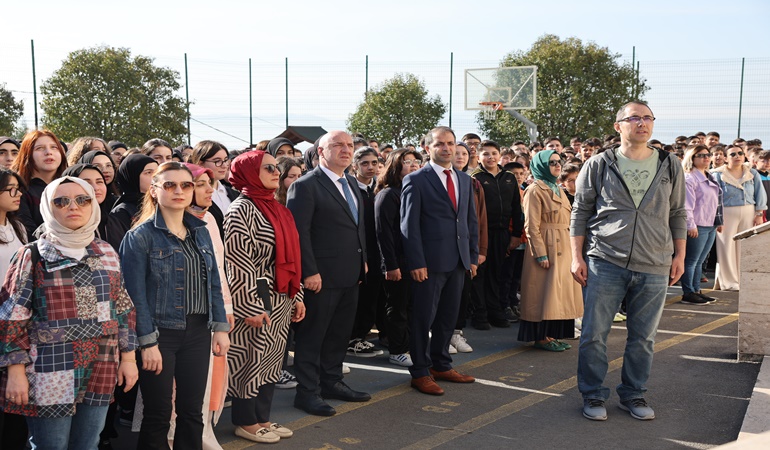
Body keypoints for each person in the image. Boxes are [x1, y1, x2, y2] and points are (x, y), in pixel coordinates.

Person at [0, 176, 137, 449]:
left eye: (82, 199)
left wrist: (129, 358)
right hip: (49, 371)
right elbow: (12, 317)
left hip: (101, 366)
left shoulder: (107, 252)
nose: (73, 206)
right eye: (61, 201)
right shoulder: (32, 255)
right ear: (48, 208)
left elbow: (123, 308)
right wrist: (15, 370)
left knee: (88, 444)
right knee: (51, 446)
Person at [571, 101, 687, 421]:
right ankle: (593, 394)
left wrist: (680, 255)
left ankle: (633, 393)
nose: (642, 123)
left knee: (643, 338)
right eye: (634, 118)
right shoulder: (599, 163)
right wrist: (576, 256)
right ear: (618, 126)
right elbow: (580, 212)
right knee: (594, 334)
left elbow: (678, 212)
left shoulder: (669, 163)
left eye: (648, 118)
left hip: (655, 262)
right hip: (604, 260)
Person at [120, 162, 230, 449]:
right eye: (169, 185)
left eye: (186, 185)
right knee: (158, 414)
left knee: (192, 412)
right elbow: (134, 297)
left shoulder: (201, 230)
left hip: (198, 331)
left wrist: (220, 328)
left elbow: (213, 282)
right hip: (160, 334)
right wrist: (148, 343)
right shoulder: (139, 236)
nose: (179, 191)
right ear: (154, 191)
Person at [286, 131, 370, 417]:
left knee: (338, 335)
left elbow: (357, 227)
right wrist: (309, 271)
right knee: (312, 338)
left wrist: (363, 261)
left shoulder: (352, 183)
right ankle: (307, 393)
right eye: (338, 145)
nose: (346, 150)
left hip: (350, 274)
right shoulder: (305, 185)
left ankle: (332, 382)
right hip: (320, 278)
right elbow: (299, 233)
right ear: (321, 152)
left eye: (349, 145)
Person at [225, 151, 305, 443]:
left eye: (276, 168)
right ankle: (245, 421)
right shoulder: (240, 210)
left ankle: (263, 417)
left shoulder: (278, 207)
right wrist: (250, 305)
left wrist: (298, 295)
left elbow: (293, 257)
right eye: (268, 168)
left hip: (282, 297)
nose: (276, 172)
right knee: (251, 357)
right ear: (248, 173)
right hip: (256, 297)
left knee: (272, 359)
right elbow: (238, 262)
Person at [401, 126, 479, 396]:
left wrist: (472, 256)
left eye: (450, 143)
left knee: (448, 317)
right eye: (440, 144)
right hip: (429, 263)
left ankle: (441, 364)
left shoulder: (464, 179)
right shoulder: (415, 180)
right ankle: (420, 371)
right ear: (427, 148)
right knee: (423, 319)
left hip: (458, 260)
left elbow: (469, 220)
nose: (446, 148)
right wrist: (416, 262)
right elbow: (409, 226)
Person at [518, 150, 583, 351]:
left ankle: (552, 335)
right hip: (547, 246)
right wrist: (540, 253)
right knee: (542, 295)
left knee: (557, 295)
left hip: (563, 247)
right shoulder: (535, 190)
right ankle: (541, 338)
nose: (557, 165)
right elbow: (531, 226)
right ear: (541, 166)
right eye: (552, 162)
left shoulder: (558, 188)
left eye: (558, 161)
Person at [374, 149, 422, 366]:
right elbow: (383, 233)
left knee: (412, 307)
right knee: (397, 307)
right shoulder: (388, 194)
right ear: (395, 165)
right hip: (397, 262)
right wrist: (390, 265)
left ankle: (410, 346)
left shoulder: (414, 191)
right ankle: (397, 350)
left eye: (416, 161)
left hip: (415, 260)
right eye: (407, 161)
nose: (413, 164)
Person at [470, 140, 523, 330]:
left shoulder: (509, 177)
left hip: (502, 234)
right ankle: (480, 314)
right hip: (481, 233)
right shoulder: (474, 178)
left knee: (497, 274)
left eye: (494, 153)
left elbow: (517, 208)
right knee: (479, 275)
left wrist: (516, 234)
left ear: (500, 155)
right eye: (486, 154)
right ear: (478, 157)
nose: (490, 157)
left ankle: (495, 311)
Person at [711, 145, 767, 291]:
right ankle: (729, 281)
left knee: (745, 245)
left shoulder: (752, 173)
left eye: (740, 153)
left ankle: (744, 279)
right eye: (733, 154)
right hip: (726, 212)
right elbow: (714, 198)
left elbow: (760, 193)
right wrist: (717, 218)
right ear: (725, 158)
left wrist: (759, 214)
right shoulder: (717, 174)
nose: (737, 156)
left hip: (749, 211)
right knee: (726, 246)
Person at [347, 147, 385, 358]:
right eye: (364, 163)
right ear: (355, 166)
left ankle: (360, 336)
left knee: (372, 296)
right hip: (357, 253)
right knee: (356, 298)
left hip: (378, 253)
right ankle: (351, 338)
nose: (370, 167)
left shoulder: (380, 188)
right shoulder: (349, 189)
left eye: (374, 163)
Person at [0, 169, 27, 450]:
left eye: (18, 188)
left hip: (16, 319)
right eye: (11, 189)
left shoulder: (17, 226)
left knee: (16, 401)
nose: (17, 194)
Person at [680, 145, 723, 305]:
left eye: (708, 154)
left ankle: (696, 290)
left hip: (710, 224)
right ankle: (688, 292)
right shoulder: (690, 178)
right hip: (698, 224)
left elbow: (717, 202)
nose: (706, 157)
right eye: (701, 155)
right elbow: (687, 205)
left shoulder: (709, 175)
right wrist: (690, 225)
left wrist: (719, 222)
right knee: (691, 260)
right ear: (692, 158)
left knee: (699, 260)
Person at [13, 130, 69, 241]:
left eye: (54, 147)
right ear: (27, 154)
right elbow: (29, 234)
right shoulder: (19, 191)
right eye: (40, 148)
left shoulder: (72, 186)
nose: (48, 152)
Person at [188, 141, 239, 239]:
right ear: (200, 163)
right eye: (217, 161)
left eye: (225, 160)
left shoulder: (234, 194)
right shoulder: (193, 197)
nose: (224, 165)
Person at [107, 154, 158, 251]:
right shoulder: (121, 212)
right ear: (132, 176)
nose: (155, 177)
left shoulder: (163, 204)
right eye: (148, 172)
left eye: (157, 172)